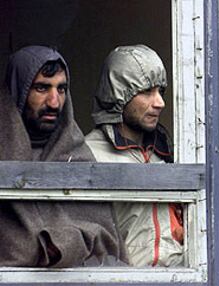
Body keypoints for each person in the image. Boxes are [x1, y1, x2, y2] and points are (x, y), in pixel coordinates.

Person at [0, 45, 127, 267]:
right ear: (18, 92)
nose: (54, 102)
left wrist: (60, 245)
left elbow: (107, 241)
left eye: (61, 89)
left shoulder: (78, 155)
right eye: (41, 88)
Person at [86, 45, 183, 267]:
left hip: (184, 276)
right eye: (147, 91)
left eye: (160, 91)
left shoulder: (167, 153)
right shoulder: (89, 154)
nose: (160, 103)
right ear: (119, 94)